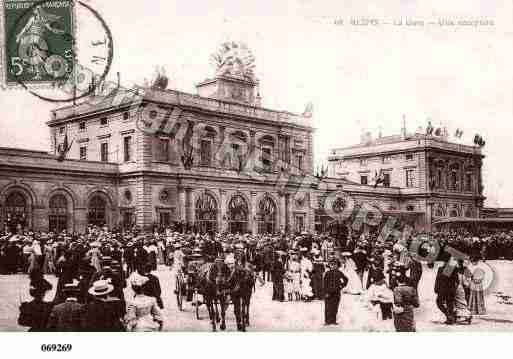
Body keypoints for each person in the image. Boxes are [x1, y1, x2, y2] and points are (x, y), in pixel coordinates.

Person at [323, 258, 348, 325]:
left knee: (335, 306)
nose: (333, 266)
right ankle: (327, 321)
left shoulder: (339, 273)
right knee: (328, 307)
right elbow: (325, 284)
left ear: (337, 265)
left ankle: (333, 320)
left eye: (335, 265)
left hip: (336, 292)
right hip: (328, 292)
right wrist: (325, 292)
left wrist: (341, 286)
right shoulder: (327, 273)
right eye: (332, 265)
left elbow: (346, 279)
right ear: (329, 265)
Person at [434, 258, 459, 325]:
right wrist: (454, 289)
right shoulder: (454, 269)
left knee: (439, 302)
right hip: (450, 290)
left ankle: (449, 316)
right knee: (449, 304)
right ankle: (450, 317)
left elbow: (437, 280)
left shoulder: (441, 269)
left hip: (442, 290)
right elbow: (457, 281)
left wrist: (436, 289)